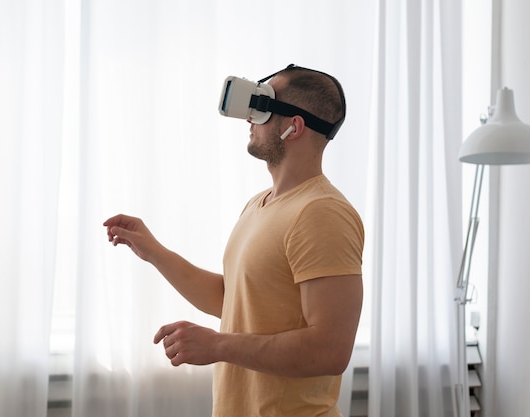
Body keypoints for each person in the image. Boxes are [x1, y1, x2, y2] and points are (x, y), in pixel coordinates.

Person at [103, 65, 364, 417]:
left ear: (294, 127)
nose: (249, 120)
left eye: (261, 107)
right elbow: (232, 300)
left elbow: (330, 350)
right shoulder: (260, 204)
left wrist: (217, 345)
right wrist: (154, 252)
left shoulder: (322, 213)